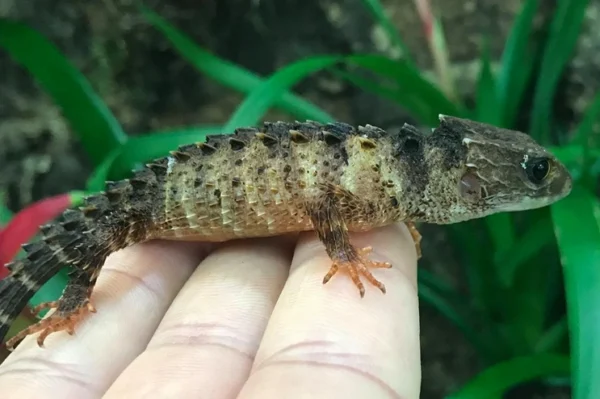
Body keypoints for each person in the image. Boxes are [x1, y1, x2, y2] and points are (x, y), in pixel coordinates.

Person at [0, 223, 421, 398]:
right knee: (105, 232)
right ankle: (72, 307)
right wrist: (343, 253)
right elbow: (325, 201)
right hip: (163, 205)